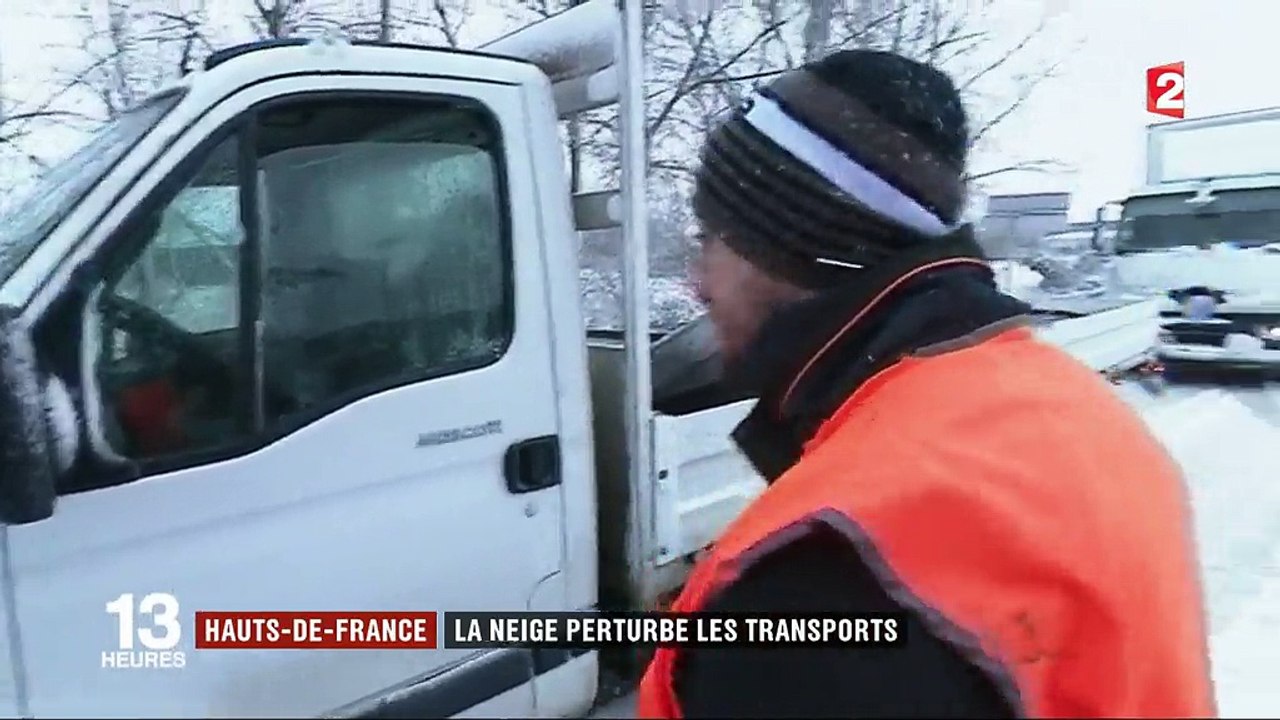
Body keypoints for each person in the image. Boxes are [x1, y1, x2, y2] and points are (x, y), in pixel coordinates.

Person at [636, 49, 1216, 719]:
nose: (697, 283)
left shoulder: (824, 570)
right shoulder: (1074, 407)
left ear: (784, 244)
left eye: (711, 238)